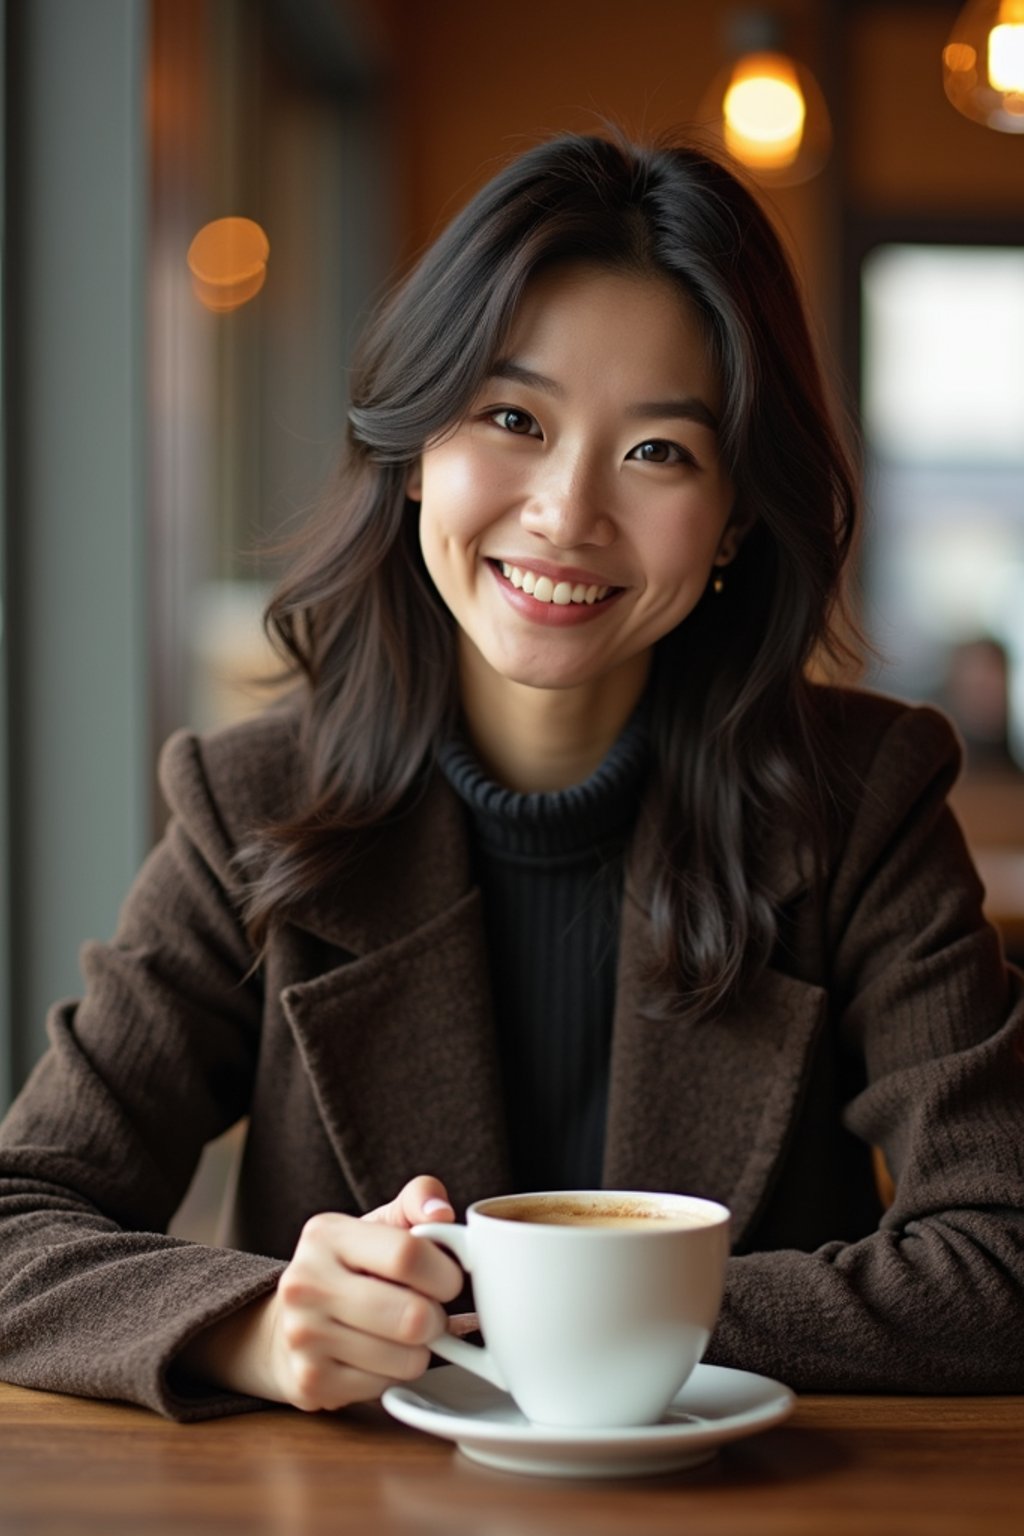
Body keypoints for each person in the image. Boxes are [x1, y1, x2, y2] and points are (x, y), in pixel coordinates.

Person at [1, 131, 1022, 1422]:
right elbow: (18, 1215)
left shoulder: (861, 801)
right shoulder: (253, 805)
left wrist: (568, 1317)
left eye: (660, 452)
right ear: (418, 443)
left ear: (735, 521)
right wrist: (252, 1326)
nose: (565, 511)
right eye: (511, 418)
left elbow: (1002, 1254)